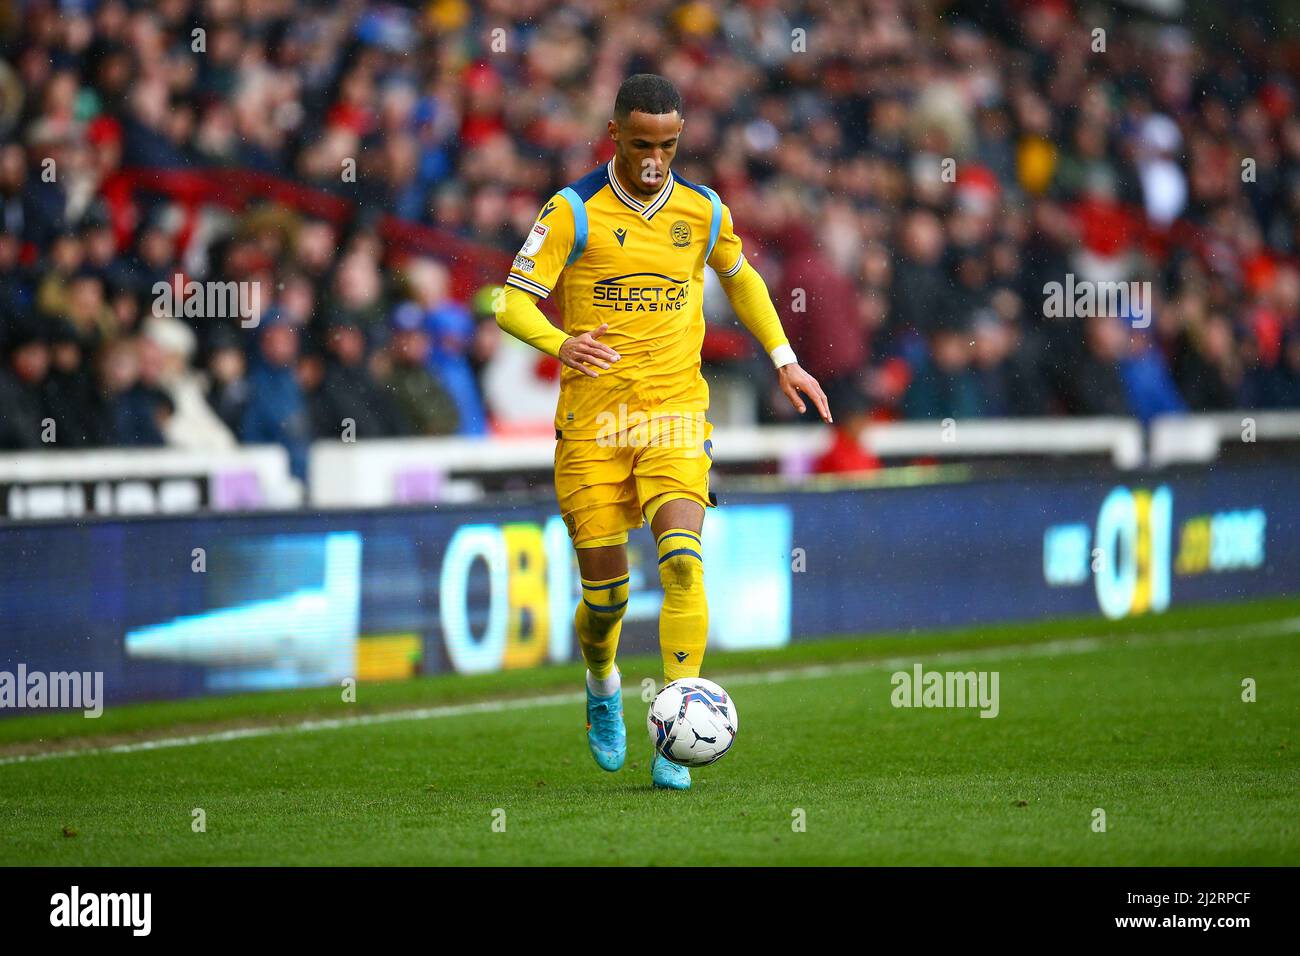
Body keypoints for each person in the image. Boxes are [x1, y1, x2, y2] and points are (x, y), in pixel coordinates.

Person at [495, 74, 829, 790]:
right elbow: (509, 302)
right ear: (614, 133)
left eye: (668, 145)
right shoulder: (573, 211)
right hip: (592, 427)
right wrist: (561, 343)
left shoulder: (702, 210)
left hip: (676, 416)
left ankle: (673, 738)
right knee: (607, 598)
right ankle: (602, 684)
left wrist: (786, 361)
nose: (655, 159)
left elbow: (742, 280)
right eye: (642, 144)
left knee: (681, 562)